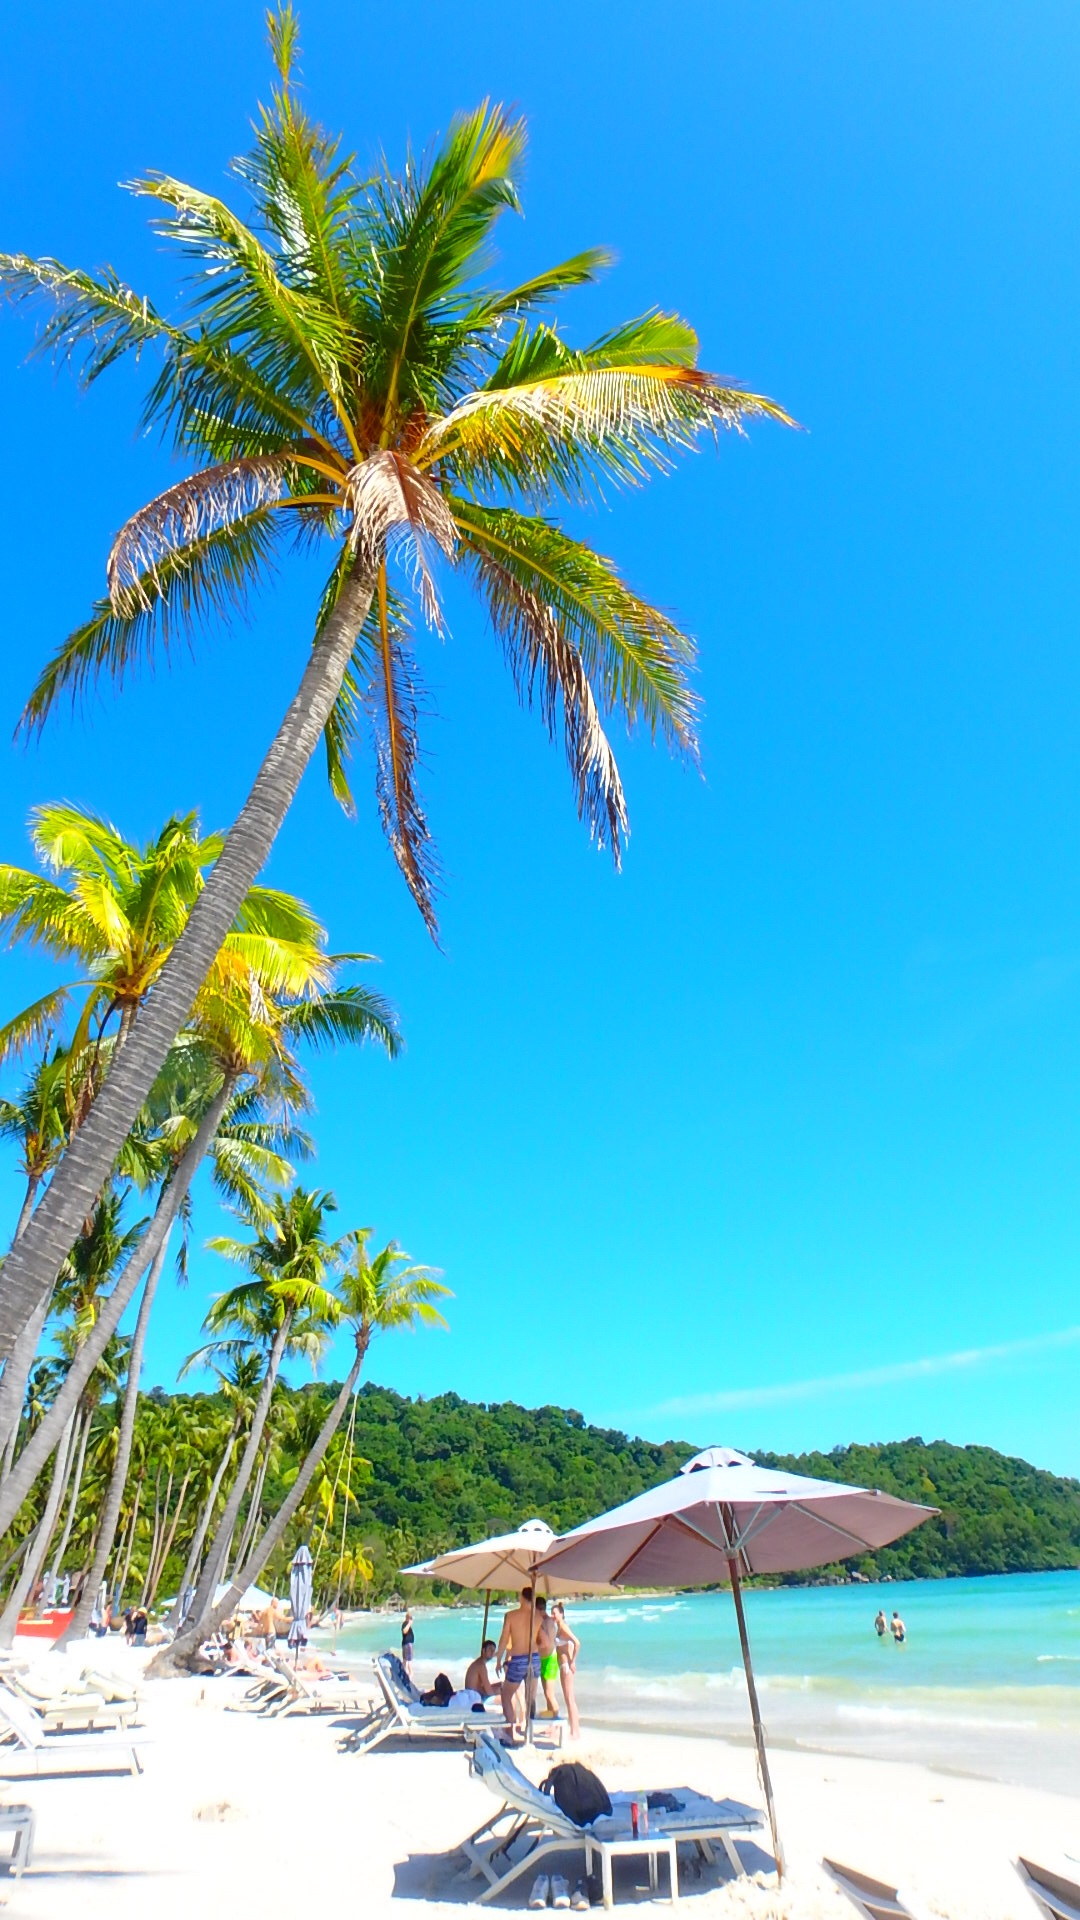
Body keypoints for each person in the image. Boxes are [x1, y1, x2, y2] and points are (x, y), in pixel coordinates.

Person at [496, 1587, 542, 1737]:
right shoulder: (538, 1617)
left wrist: (498, 1659)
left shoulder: (511, 1616)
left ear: (522, 1598)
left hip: (518, 1659)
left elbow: (504, 1639)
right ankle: (529, 1733)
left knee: (506, 1695)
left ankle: (510, 1732)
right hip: (534, 1658)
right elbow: (542, 1640)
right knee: (530, 1698)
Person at [551, 1602, 581, 1740]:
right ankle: (573, 1730)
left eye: (555, 1613)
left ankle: (575, 1731)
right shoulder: (559, 1627)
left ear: (561, 1614)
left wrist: (573, 1661)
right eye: (552, 1613)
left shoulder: (563, 1627)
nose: (553, 1616)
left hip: (566, 1666)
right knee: (568, 1698)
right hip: (563, 1665)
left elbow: (577, 1642)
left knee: (570, 1699)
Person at [536, 1597, 560, 1718]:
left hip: (550, 1659)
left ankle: (556, 1721)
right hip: (544, 1659)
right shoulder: (544, 1621)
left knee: (550, 1694)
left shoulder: (546, 1622)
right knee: (547, 1694)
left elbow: (547, 1644)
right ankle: (551, 1723)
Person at [401, 1609, 415, 1677]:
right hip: (408, 1643)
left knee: (405, 1660)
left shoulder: (405, 1624)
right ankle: (410, 1675)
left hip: (405, 1643)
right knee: (409, 1660)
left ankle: (403, 1674)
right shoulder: (406, 1624)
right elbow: (404, 1631)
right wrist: (409, 1624)